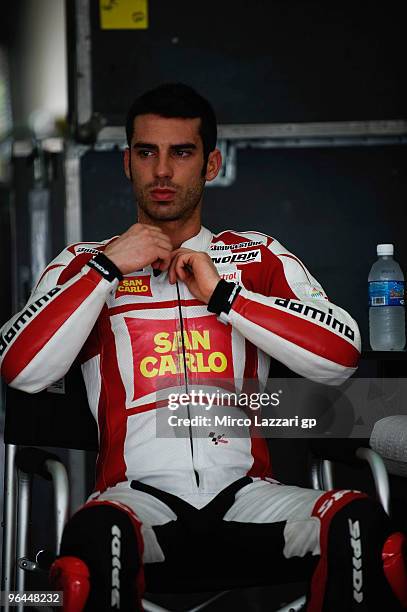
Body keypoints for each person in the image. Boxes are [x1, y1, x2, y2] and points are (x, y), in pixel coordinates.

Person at [1, 83, 406, 612]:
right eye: (147, 153)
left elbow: (340, 357)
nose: (163, 171)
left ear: (210, 163)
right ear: (127, 162)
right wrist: (106, 268)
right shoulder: (84, 261)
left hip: (249, 497)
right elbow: (20, 369)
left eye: (182, 153)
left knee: (360, 526)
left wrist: (223, 295)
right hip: (134, 503)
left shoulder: (256, 255)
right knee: (98, 539)